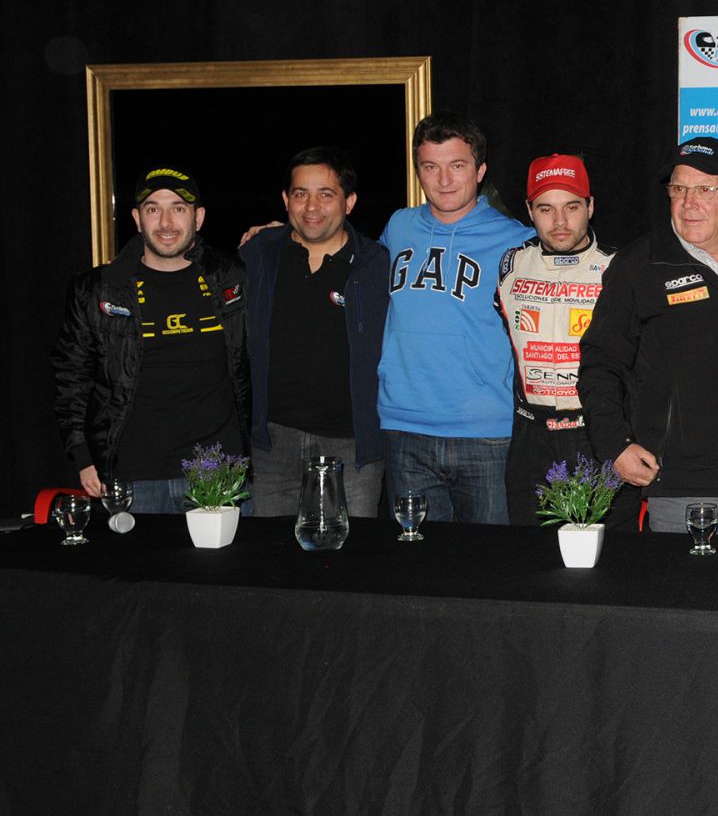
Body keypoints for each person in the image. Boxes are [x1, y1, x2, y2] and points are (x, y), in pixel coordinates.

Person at [578, 137, 718, 535]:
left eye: (704, 189)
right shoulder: (639, 265)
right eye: (679, 189)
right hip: (682, 489)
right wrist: (614, 445)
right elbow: (601, 361)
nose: (688, 203)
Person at [52, 166, 249, 513]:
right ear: (137, 218)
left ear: (198, 217)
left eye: (178, 208)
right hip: (131, 477)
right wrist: (83, 455)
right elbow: (71, 377)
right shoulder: (98, 289)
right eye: (153, 209)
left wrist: (276, 233)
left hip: (217, 472)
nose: (166, 223)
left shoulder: (233, 279)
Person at [380, 112, 534, 524]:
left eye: (457, 165)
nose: (444, 180)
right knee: (415, 559)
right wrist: (280, 233)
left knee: (486, 560)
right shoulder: (398, 226)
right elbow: (344, 253)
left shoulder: (517, 240)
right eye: (431, 167)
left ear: (480, 171)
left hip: (485, 432)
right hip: (404, 425)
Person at [239, 147, 388, 519]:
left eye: (326, 194)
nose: (311, 206)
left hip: (352, 449)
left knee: (353, 552)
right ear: (285, 200)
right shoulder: (259, 255)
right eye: (300, 193)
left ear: (349, 202)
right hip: (273, 445)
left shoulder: (377, 265)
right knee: (271, 553)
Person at [494, 153, 638, 528]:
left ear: (590, 207)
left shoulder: (620, 267)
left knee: (609, 555)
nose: (559, 222)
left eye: (571, 207)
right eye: (546, 209)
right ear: (530, 211)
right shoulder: (511, 265)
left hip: (596, 434)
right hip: (531, 438)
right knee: (528, 555)